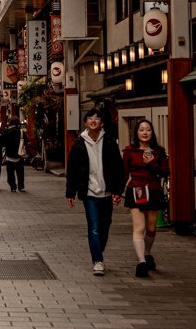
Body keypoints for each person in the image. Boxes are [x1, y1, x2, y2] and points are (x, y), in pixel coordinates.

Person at [66, 106, 126, 275]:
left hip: (107, 191)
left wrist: (117, 190)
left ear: (102, 123)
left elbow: (118, 168)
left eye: (97, 118)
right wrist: (70, 192)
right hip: (89, 192)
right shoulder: (79, 144)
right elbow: (72, 170)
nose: (93, 120)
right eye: (90, 118)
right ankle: (98, 260)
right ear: (85, 122)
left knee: (105, 225)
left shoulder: (109, 142)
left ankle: (99, 247)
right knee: (93, 226)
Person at [122, 118, 170, 278]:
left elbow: (165, 172)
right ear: (136, 133)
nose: (145, 132)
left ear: (152, 132)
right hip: (135, 191)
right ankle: (141, 262)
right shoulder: (129, 151)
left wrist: (152, 164)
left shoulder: (159, 151)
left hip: (154, 191)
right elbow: (124, 172)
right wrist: (116, 192)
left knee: (151, 228)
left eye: (148, 129)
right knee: (139, 227)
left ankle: (147, 253)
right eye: (141, 129)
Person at [0, 112, 27, 192]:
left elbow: (2, 143)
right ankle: (21, 186)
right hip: (19, 154)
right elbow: (26, 141)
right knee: (20, 172)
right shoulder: (21, 131)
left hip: (9, 155)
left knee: (10, 172)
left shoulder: (5, 132)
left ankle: (13, 186)